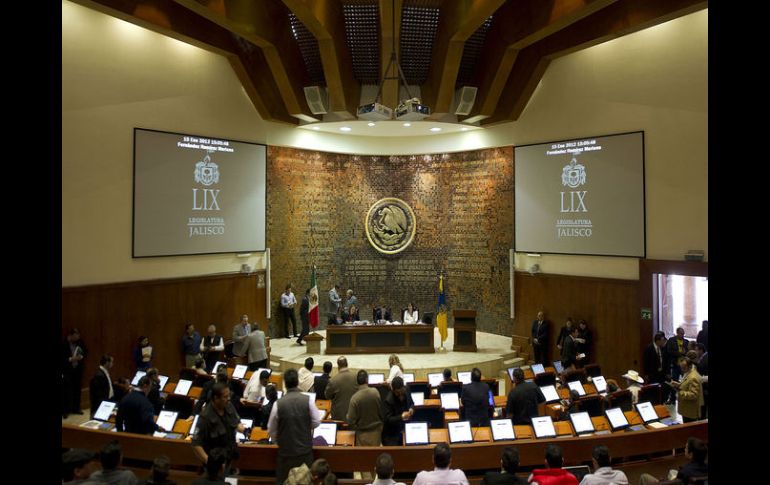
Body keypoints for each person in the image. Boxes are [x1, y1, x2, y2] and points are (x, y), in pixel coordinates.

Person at [267, 368, 324, 484]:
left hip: (285, 455)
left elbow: (271, 430)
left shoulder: (278, 404)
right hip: (304, 454)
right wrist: (305, 426)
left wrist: (279, 440)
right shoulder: (308, 400)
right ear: (298, 382)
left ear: (285, 383)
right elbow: (316, 422)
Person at [192, 382, 245, 477]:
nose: (229, 398)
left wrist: (240, 427)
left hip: (230, 459)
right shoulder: (205, 417)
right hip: (215, 466)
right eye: (225, 397)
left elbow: (237, 422)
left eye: (229, 395)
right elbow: (196, 444)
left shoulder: (229, 406)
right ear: (216, 398)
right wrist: (211, 463)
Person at [639, 437, 707, 485]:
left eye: (686, 448)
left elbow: (674, 483)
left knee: (644, 477)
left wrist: (662, 481)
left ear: (691, 454)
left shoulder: (685, 471)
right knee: (672, 472)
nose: (684, 449)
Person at [348, 370, 385, 446]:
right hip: (376, 433)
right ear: (367, 380)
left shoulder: (354, 398)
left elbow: (351, 420)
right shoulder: (375, 392)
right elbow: (381, 412)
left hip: (362, 436)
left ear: (357, 382)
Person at [669, 351, 703, 423]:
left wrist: (680, 392)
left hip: (690, 410)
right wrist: (678, 384)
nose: (682, 370)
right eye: (681, 368)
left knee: (690, 428)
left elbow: (694, 394)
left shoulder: (693, 377)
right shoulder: (688, 372)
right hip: (686, 408)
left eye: (684, 368)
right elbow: (686, 384)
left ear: (689, 366)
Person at [62, 328, 87, 417]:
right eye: (76, 336)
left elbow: (85, 351)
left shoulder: (79, 342)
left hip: (77, 370)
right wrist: (71, 359)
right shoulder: (64, 344)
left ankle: (76, 408)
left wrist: (81, 357)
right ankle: (65, 410)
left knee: (77, 389)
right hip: (67, 370)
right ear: (70, 335)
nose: (77, 338)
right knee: (66, 391)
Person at [381, 376, 413, 446]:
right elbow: (388, 419)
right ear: (393, 390)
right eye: (397, 393)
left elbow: (411, 403)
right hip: (392, 434)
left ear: (403, 387)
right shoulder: (388, 400)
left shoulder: (407, 390)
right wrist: (401, 417)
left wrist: (411, 409)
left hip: (405, 429)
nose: (400, 394)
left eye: (401, 391)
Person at [325, 357, 358, 422]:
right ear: (347, 364)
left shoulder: (333, 380)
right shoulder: (356, 377)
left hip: (338, 418)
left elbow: (327, 396)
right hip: (354, 415)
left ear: (338, 366)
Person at [665, 327, 689, 402]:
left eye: (683, 334)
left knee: (686, 382)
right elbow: (669, 351)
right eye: (681, 334)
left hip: (684, 366)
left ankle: (684, 397)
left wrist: (685, 353)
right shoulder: (671, 340)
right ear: (677, 333)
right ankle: (672, 399)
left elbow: (688, 351)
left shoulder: (686, 342)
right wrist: (679, 353)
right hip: (675, 365)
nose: (682, 335)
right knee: (674, 382)